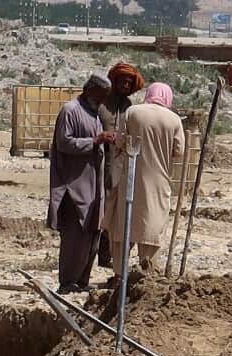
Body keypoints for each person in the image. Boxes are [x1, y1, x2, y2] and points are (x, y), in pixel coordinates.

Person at [103, 82, 184, 279]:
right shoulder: (174, 120)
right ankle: (148, 273)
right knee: (151, 227)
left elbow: (121, 141)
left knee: (124, 225)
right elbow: (179, 152)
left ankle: (119, 275)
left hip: (131, 178)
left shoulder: (133, 112)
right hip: (159, 182)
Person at [48, 72, 115, 294]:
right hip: (74, 186)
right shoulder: (71, 111)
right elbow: (64, 142)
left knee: (92, 237)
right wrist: (95, 141)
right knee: (75, 239)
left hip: (94, 187)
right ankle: (68, 282)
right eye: (102, 94)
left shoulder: (93, 113)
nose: (104, 99)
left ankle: (82, 281)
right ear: (90, 90)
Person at [97, 62, 145, 269]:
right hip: (99, 160)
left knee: (115, 209)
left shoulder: (129, 107)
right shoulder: (101, 104)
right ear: (114, 81)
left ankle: (107, 256)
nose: (125, 84)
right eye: (122, 80)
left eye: (129, 81)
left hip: (120, 162)